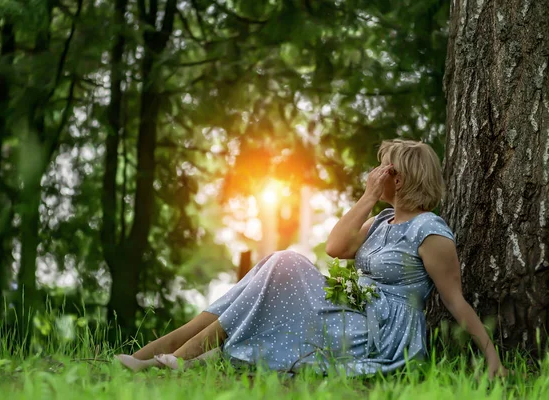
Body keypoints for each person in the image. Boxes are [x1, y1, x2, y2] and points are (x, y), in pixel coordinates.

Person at [116, 139, 508, 379]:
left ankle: (171, 362)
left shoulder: (431, 232)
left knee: (283, 263)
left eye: (382, 170)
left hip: (382, 334)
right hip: (351, 311)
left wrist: (491, 356)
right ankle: (150, 355)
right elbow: (336, 247)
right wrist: (369, 198)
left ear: (399, 179)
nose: (374, 174)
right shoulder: (383, 219)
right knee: (269, 271)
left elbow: (455, 301)